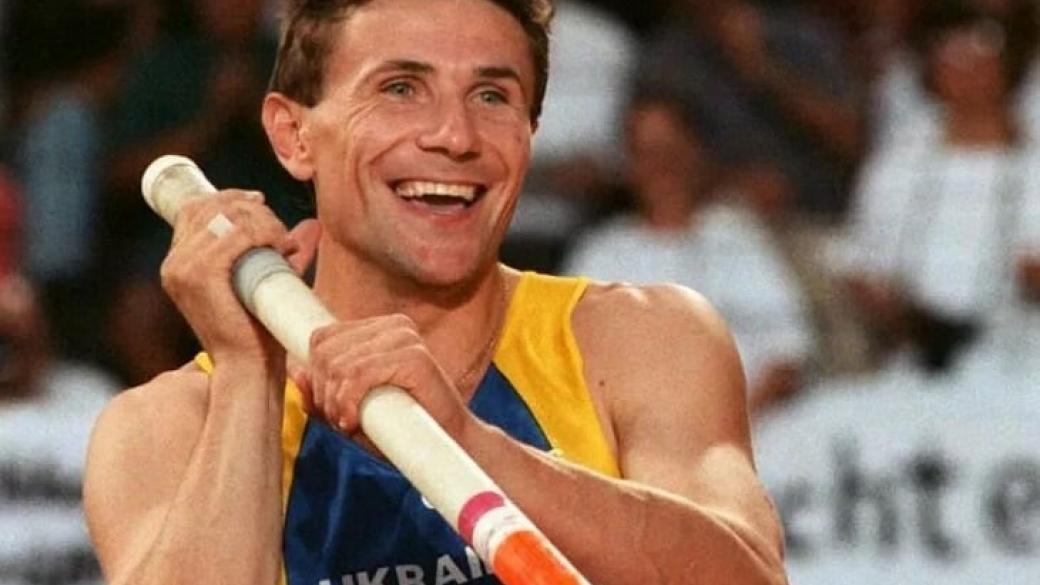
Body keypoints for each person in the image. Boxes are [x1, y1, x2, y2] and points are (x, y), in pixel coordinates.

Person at [83, 0, 787, 583]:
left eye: (492, 96)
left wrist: (467, 440)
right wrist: (248, 374)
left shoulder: (642, 339)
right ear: (294, 135)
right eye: (400, 88)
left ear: (530, 136)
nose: (455, 136)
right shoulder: (168, 424)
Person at [563, 93, 815, 414]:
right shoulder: (603, 253)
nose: (662, 167)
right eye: (647, 153)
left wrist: (732, 426)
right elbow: (572, 366)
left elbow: (787, 356)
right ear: (629, 164)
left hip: (752, 426)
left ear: (696, 154)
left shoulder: (737, 237)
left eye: (672, 151)